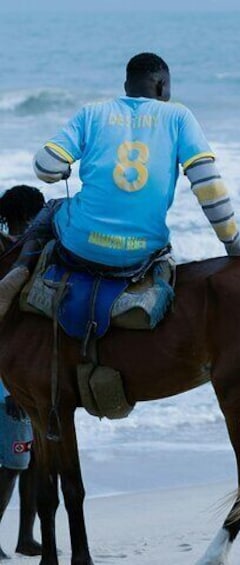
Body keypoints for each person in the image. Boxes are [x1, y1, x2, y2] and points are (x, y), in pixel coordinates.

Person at [0, 52, 240, 318]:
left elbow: (45, 168)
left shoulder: (92, 113)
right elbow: (209, 187)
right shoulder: (179, 117)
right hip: (140, 255)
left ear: (126, 87)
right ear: (162, 86)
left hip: (81, 248)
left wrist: (62, 169)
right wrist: (233, 245)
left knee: (56, 205)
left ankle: (21, 269)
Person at [0, 185, 43, 558]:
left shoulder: (21, 250)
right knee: (14, 462)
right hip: (8, 376)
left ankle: (25, 536)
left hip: (24, 371)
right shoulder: (15, 254)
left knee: (33, 459)